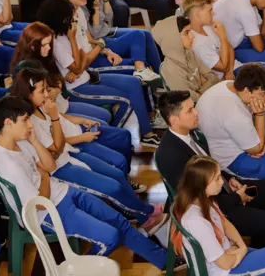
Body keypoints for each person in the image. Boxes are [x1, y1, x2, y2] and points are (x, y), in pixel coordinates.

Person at [0, 96, 186, 271]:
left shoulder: (21, 141)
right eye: (25, 120)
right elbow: (39, 202)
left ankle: (163, 260)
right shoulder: (7, 163)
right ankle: (79, 270)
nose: (30, 125)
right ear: (8, 122)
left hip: (62, 192)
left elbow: (49, 164)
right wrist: (45, 176)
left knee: (119, 221)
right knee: (110, 237)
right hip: (47, 212)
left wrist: (35, 142)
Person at [10, 66, 161, 222]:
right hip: (59, 168)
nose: (47, 94)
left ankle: (142, 211)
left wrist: (60, 119)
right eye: (42, 91)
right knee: (113, 186)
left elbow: (59, 143)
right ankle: (144, 216)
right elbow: (56, 148)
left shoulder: (39, 108)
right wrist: (54, 117)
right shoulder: (29, 120)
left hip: (67, 154)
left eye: (46, 89)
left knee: (116, 174)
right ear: (28, 94)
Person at [156, 91, 265, 246]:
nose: (196, 112)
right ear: (174, 120)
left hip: (221, 190)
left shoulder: (192, 133)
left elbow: (210, 169)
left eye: (193, 107)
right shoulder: (170, 155)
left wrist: (230, 180)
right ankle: (261, 252)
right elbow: (196, 201)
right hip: (212, 211)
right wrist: (236, 198)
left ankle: (264, 238)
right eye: (189, 110)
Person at [32, 0, 164, 147]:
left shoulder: (68, 32)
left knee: (134, 81)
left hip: (85, 77)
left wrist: (79, 64)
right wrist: (79, 55)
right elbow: (78, 66)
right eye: (70, 16)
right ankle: (115, 138)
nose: (74, 18)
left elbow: (82, 61)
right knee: (126, 101)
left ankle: (145, 135)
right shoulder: (58, 40)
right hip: (76, 88)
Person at [9, 28, 142, 160]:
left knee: (104, 119)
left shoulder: (46, 59)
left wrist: (57, 88)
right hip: (58, 114)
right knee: (103, 126)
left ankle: (110, 149)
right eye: (44, 45)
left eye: (49, 43)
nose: (49, 48)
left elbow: (60, 80)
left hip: (62, 106)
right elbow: (54, 143)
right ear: (32, 46)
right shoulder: (26, 73)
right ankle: (106, 151)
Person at [172, 156, 265, 276]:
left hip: (232, 256)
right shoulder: (196, 221)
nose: (222, 182)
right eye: (217, 179)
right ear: (201, 185)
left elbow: (225, 223)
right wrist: (242, 250)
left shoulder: (204, 199)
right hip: (227, 271)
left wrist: (240, 245)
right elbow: (225, 264)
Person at [196, 64, 265, 218]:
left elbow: (256, 142)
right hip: (231, 159)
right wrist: (261, 115)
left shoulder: (228, 85)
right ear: (246, 90)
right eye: (263, 93)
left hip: (234, 141)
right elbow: (256, 149)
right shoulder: (234, 114)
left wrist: (260, 144)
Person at [185, 0, 265, 107]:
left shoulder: (208, 27)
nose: (213, 13)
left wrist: (229, 69)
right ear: (197, 14)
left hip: (232, 69)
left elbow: (229, 47)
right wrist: (223, 37)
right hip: (224, 78)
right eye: (210, 10)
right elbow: (222, 66)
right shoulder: (198, 42)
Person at [54, 0, 161, 81]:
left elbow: (107, 20)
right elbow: (93, 37)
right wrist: (101, 45)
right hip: (93, 54)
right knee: (139, 56)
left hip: (100, 43)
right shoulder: (75, 13)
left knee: (144, 35)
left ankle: (160, 74)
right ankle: (147, 73)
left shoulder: (79, 12)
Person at [85, 0, 162, 73]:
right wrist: (96, 9)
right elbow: (95, 33)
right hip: (100, 40)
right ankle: (142, 70)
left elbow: (109, 17)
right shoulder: (84, 6)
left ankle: (161, 72)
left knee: (146, 34)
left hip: (107, 32)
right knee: (137, 34)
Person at [152, 15, 219, 101]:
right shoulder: (171, 70)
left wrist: (200, 91)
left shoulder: (190, 53)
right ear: (173, 39)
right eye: (186, 33)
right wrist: (205, 83)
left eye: (190, 31)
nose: (192, 36)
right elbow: (192, 100)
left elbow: (214, 78)